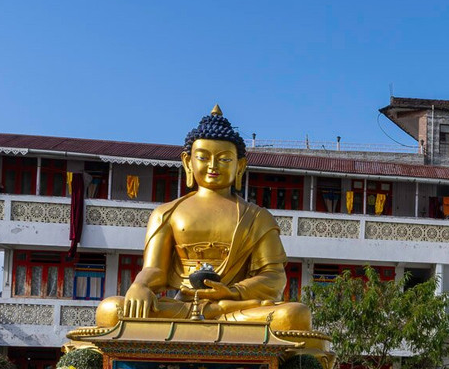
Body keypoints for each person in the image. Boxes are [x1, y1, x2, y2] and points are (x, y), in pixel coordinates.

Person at [95, 106, 311, 331]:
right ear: (188, 162)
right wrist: (141, 285)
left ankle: (216, 312)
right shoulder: (167, 213)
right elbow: (156, 270)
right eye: (203, 157)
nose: (213, 166)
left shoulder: (257, 217)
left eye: (224, 159)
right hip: (184, 308)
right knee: (111, 310)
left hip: (235, 308)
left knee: (294, 315)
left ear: (240, 166)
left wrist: (233, 292)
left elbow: (274, 278)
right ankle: (212, 313)